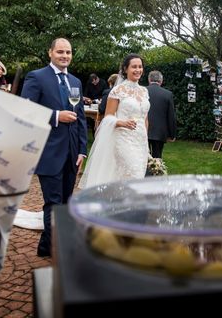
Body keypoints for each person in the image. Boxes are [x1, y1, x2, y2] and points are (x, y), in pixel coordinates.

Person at [20, 38, 87, 257]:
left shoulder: (75, 81)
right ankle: (58, 248)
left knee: (66, 203)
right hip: (49, 152)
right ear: (50, 53)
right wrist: (57, 116)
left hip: (72, 154)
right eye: (60, 51)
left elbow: (81, 119)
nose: (65, 56)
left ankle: (46, 246)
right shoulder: (36, 77)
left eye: (68, 52)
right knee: (53, 203)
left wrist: (82, 149)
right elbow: (25, 111)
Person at [79, 54, 150, 189]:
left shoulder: (144, 91)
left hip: (140, 141)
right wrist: (122, 123)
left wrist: (145, 140)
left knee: (137, 175)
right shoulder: (118, 90)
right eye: (134, 67)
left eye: (140, 67)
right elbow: (108, 118)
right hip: (123, 139)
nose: (138, 70)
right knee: (132, 174)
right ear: (125, 69)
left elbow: (145, 118)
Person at [146, 70, 177, 159]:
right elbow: (171, 116)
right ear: (161, 81)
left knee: (143, 156)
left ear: (149, 80)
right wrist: (172, 134)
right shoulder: (167, 94)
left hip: (143, 129)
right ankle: (157, 171)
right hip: (160, 132)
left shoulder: (142, 91)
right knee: (157, 156)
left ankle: (145, 172)